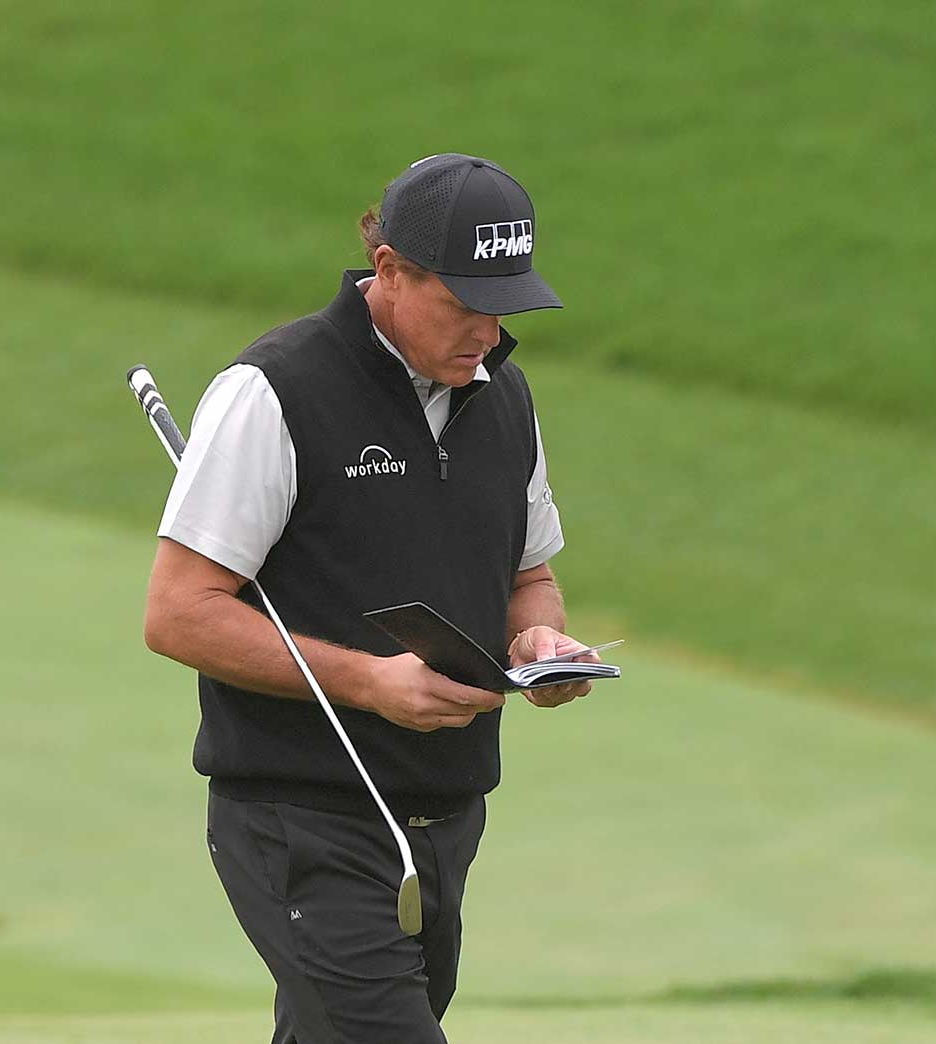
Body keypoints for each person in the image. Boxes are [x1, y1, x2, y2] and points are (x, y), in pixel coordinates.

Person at [143, 153, 597, 1043]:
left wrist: (541, 643)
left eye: (502, 305)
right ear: (389, 271)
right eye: (463, 304)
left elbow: (528, 575)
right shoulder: (277, 389)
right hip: (301, 818)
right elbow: (178, 611)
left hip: (443, 820)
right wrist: (367, 681)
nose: (488, 331)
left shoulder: (504, 395)